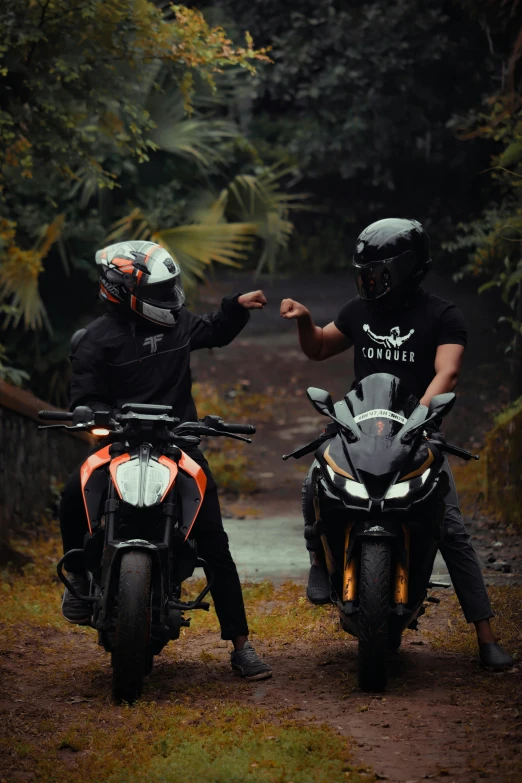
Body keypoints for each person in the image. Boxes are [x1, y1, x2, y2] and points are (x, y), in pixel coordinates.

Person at [280, 217, 514, 672]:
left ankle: (485, 635)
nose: (368, 282)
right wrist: (306, 321)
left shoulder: (444, 317)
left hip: (418, 435)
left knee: (451, 527)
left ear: (405, 271)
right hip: (359, 432)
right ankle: (317, 563)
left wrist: (419, 421)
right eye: (364, 273)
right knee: (314, 483)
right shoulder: (358, 311)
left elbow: (447, 372)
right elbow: (320, 347)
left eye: (377, 273)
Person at [59, 240, 272, 681]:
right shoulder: (94, 341)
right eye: (160, 289)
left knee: (213, 539)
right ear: (123, 290)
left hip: (179, 446)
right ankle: (79, 580)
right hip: (117, 445)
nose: (169, 296)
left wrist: (237, 306)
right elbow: (84, 398)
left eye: (169, 287)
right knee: (70, 496)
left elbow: (215, 329)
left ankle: (241, 645)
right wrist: (89, 414)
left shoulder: (178, 324)